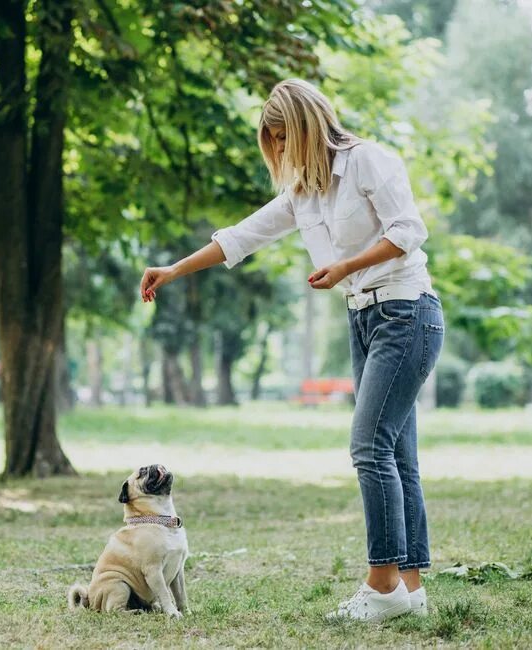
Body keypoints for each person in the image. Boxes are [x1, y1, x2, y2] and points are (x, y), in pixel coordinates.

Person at [139, 79, 445, 623]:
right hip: (365, 319)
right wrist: (174, 269)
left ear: (305, 128)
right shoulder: (303, 191)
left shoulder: (368, 161)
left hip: (406, 311)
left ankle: (382, 587)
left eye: (281, 138)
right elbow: (241, 237)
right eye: (271, 142)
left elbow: (409, 230)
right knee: (396, 454)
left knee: (369, 447)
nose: (277, 152)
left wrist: (347, 266)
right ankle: (411, 589)